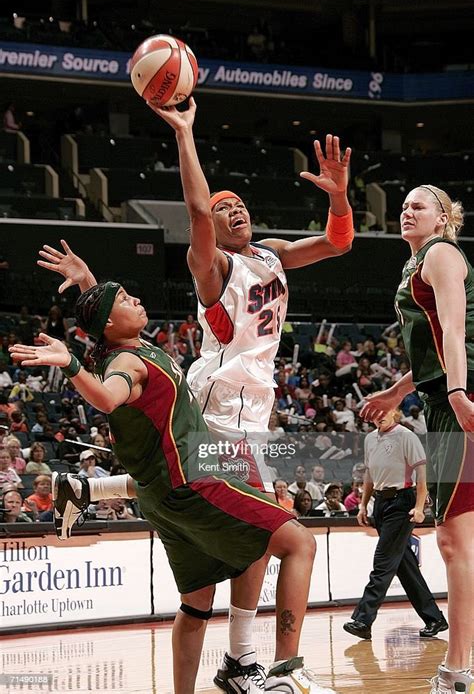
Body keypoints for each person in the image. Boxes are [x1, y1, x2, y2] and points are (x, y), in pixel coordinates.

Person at [38, 94, 354, 692]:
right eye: (222, 206)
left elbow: (339, 243)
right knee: (263, 527)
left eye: (239, 204)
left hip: (256, 407)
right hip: (218, 401)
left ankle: (88, 487)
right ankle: (250, 663)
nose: (232, 210)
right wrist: (185, 135)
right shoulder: (212, 266)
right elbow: (197, 212)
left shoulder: (273, 255)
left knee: (252, 538)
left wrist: (337, 196)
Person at [10, 282, 335, 694]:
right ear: (111, 322)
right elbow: (109, 398)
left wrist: (90, 284)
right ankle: (286, 671)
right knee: (300, 543)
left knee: (196, 606)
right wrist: (72, 366)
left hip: (161, 497)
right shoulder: (128, 364)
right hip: (193, 482)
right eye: (127, 300)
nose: (138, 300)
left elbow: (106, 323)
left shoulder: (124, 346)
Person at [360, 184, 474, 694]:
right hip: (440, 396)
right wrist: (398, 390)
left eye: (418, 205)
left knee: (454, 541)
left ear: (444, 217)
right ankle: (459, 668)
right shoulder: (415, 264)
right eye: (403, 206)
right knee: (458, 541)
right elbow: (431, 344)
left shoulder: (443, 253)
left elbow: (453, 329)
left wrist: (456, 390)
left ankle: (457, 670)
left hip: (460, 396)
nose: (406, 211)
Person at [343, 409, 446, 641]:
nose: (379, 415)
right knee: (404, 566)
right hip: (380, 503)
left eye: (384, 410)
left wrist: (420, 507)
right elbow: (369, 474)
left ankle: (363, 619)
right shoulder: (370, 439)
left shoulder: (406, 436)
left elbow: (422, 474)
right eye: (375, 412)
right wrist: (363, 505)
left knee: (382, 562)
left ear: (395, 413)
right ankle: (434, 618)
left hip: (403, 502)